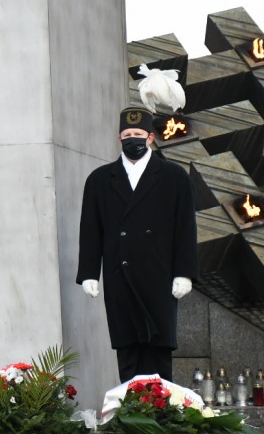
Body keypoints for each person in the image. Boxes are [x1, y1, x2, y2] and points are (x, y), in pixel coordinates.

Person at [76, 107, 197, 383]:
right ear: (119, 138)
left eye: (139, 134)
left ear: (151, 138)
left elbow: (185, 228)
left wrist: (185, 273)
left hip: (160, 275)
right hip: (119, 274)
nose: (133, 139)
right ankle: (130, 404)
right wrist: (89, 273)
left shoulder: (174, 177)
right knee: (127, 347)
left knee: (159, 348)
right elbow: (91, 230)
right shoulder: (99, 179)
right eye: (128, 134)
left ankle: (160, 406)